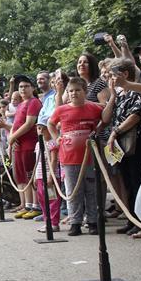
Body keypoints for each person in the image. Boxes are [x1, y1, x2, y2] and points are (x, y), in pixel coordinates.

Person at [48, 77, 104, 236]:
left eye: (77, 90)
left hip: (90, 157)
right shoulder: (62, 109)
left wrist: (98, 130)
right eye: (70, 91)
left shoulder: (93, 108)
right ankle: (75, 222)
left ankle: (93, 221)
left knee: (91, 190)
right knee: (73, 191)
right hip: (69, 157)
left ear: (85, 91)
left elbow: (105, 117)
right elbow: (51, 123)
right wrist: (55, 137)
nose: (74, 93)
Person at [105, 58, 141, 235]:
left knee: (137, 180)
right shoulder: (120, 94)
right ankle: (131, 218)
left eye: (112, 75)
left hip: (137, 141)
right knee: (126, 182)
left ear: (125, 74)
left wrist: (116, 132)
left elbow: (136, 115)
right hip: (120, 143)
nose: (110, 79)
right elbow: (106, 117)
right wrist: (112, 94)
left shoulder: (138, 92)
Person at [8, 77, 42, 219]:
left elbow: (29, 124)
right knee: (21, 176)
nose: (23, 89)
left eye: (26, 86)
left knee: (30, 175)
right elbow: (16, 123)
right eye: (21, 86)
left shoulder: (34, 102)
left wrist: (12, 137)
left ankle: (36, 205)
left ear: (32, 88)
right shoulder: (21, 104)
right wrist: (13, 137)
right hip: (19, 145)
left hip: (29, 143)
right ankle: (27, 204)